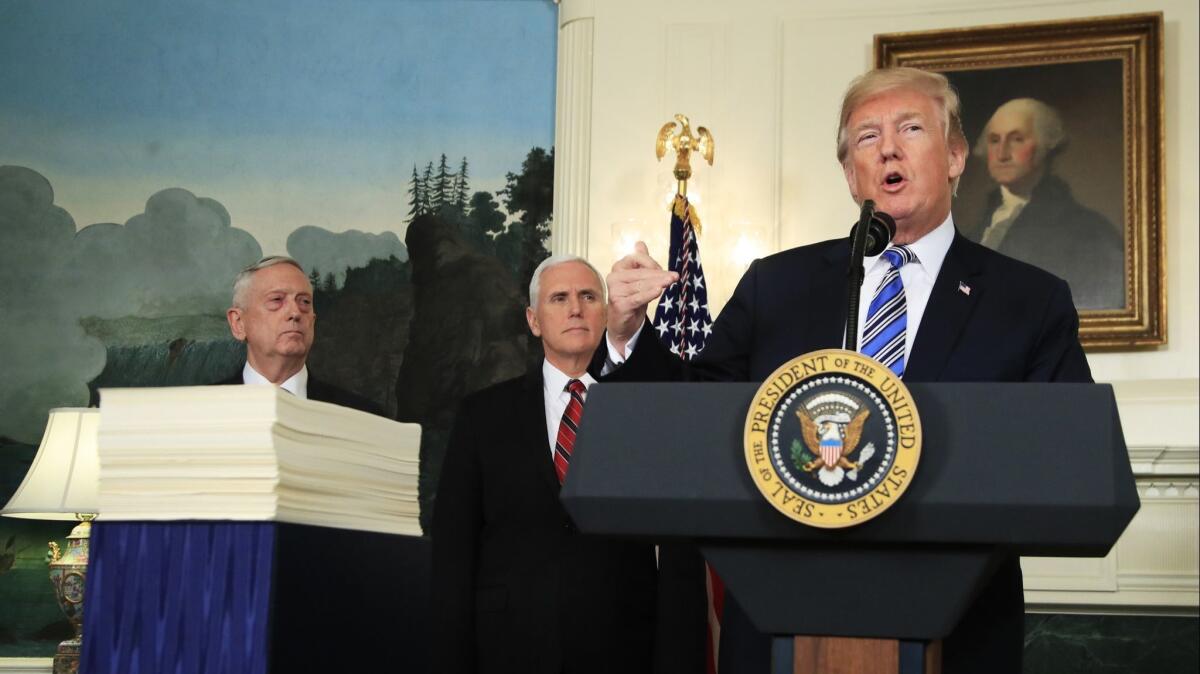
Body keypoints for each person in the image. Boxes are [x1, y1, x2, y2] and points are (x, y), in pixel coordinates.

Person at [601, 68, 1092, 674]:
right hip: (783, 621)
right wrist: (627, 336)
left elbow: (1067, 458)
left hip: (956, 627)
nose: (888, 147)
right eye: (866, 137)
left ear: (957, 156)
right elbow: (689, 419)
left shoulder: (1030, 301)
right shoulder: (776, 285)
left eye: (911, 128)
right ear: (848, 172)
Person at [431, 255, 706, 674]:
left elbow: (677, 547)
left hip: (623, 646)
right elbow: (454, 552)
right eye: (559, 298)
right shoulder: (482, 416)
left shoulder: (643, 406)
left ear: (605, 310)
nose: (575, 308)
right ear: (533, 319)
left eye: (588, 296)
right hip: (508, 647)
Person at [973, 97, 1124, 309]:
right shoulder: (975, 229)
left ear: (1046, 145)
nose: (1002, 154)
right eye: (995, 140)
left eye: (1017, 139)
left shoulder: (1090, 232)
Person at [219, 255, 381, 414]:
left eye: (304, 302)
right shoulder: (202, 408)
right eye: (276, 299)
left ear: (313, 320)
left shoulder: (361, 415)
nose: (295, 312)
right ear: (238, 323)